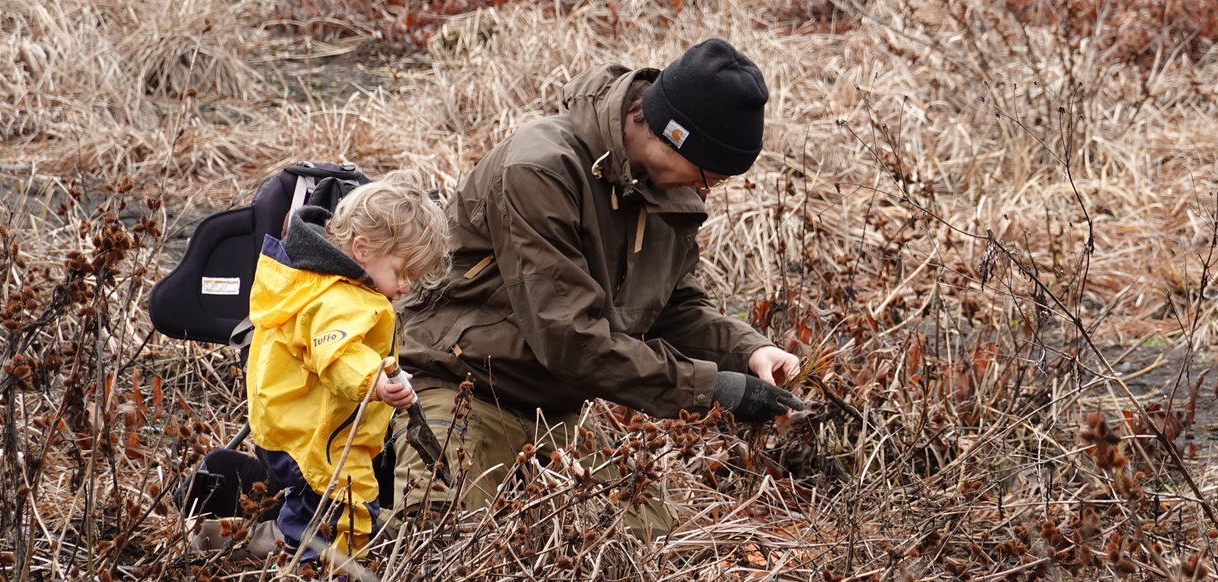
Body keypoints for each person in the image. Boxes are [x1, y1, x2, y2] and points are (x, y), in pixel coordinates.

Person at [390, 38, 806, 535]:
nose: (704, 192)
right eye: (709, 177)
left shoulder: (666, 188)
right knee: (439, 544)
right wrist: (713, 390)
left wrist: (749, 352)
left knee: (653, 540)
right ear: (674, 136)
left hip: (555, 408)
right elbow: (569, 336)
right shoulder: (540, 168)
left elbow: (675, 307)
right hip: (461, 387)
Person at [244, 179, 450, 566]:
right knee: (346, 515)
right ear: (362, 249)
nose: (406, 287)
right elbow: (337, 353)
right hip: (322, 442)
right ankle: (321, 571)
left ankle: (285, 552)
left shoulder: (320, 282)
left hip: (303, 429)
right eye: (403, 273)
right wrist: (376, 381)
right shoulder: (340, 299)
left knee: (310, 509)